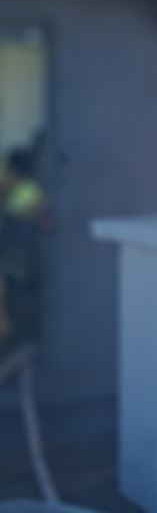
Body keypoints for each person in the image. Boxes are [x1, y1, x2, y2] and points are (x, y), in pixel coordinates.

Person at [0, 146, 49, 357]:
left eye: (7, 175)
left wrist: (28, 217)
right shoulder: (11, 196)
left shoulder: (29, 192)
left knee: (20, 331)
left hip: (21, 273)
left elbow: (47, 222)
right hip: (13, 273)